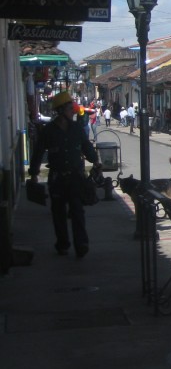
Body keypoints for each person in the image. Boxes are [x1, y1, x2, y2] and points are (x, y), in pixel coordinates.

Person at [28, 90, 100, 258]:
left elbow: (86, 146)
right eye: (69, 108)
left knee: (77, 211)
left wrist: (95, 161)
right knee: (58, 213)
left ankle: (81, 244)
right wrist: (34, 173)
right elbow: (38, 152)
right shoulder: (48, 131)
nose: (72, 111)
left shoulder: (76, 128)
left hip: (76, 177)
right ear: (60, 110)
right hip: (57, 178)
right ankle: (62, 244)